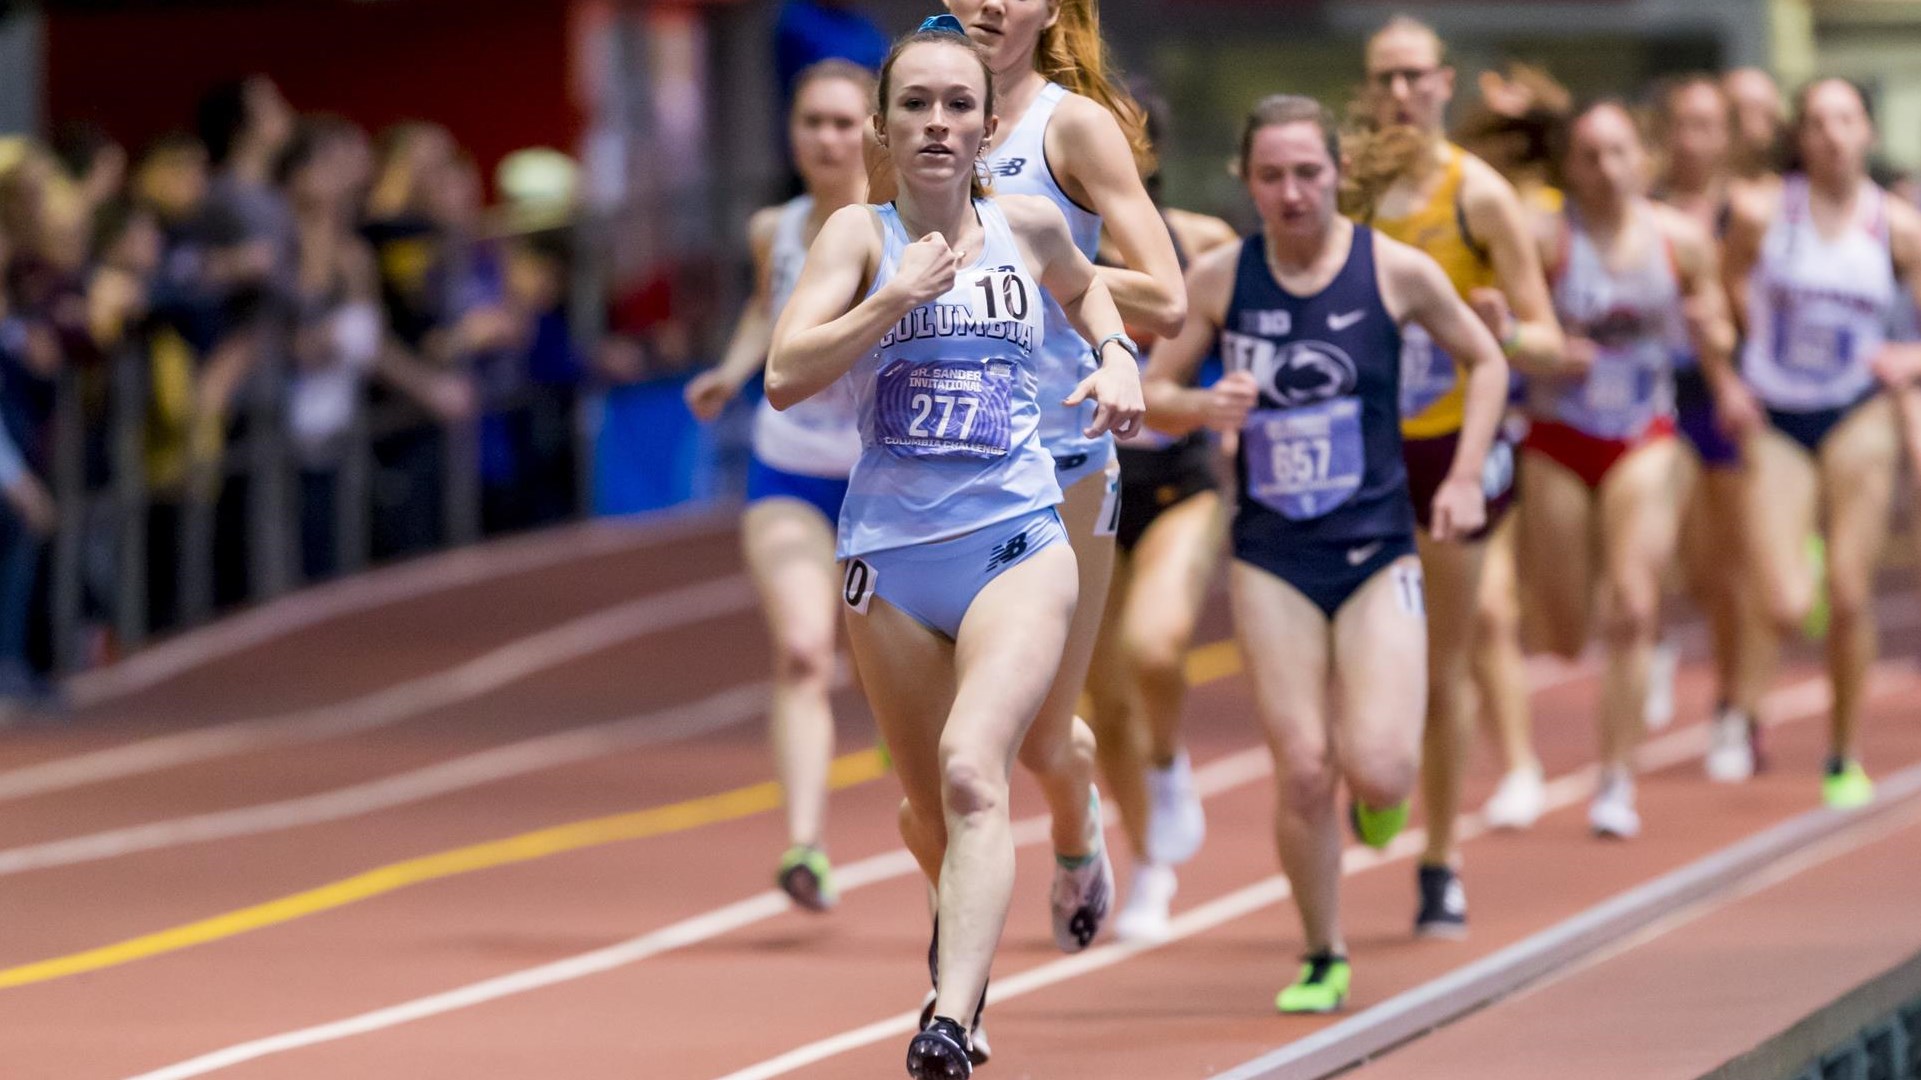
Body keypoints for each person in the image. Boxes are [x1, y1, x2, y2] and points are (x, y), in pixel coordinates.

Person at [768, 28, 1142, 1077]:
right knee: (924, 807)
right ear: (884, 126)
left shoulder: (1026, 224)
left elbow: (1089, 291)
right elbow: (784, 374)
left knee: (976, 771)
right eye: (917, 106)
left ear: (986, 127)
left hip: (1015, 540)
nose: (938, 124)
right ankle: (960, 962)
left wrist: (1115, 359)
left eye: (958, 107)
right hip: (888, 559)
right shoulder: (855, 236)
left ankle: (952, 1018)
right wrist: (892, 296)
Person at [1145, 94, 1506, 1015]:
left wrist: (1464, 476)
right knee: (1303, 765)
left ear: (1337, 174)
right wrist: (1201, 408)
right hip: (1272, 554)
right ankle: (1320, 952)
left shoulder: (1395, 270)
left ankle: (1382, 802)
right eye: (1270, 176)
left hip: (1377, 546)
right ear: (1246, 182)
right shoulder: (1225, 279)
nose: (1291, 192)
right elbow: (1148, 389)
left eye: (1307, 173)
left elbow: (1489, 360)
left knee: (1379, 767)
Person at [940, 0, 1186, 956]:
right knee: (951, 755)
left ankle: (1079, 835)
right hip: (937, 464)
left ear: (1051, 10)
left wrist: (1032, 249)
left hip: (1061, 457)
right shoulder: (917, 118)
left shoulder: (1071, 125)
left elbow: (1163, 297)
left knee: (1042, 740)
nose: (989, 2)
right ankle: (957, 992)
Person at [1349, 15, 1566, 937]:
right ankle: (1374, 767)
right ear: (1366, 89)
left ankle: (1438, 860)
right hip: (1355, 454)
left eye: (1413, 77)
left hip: (1449, 454)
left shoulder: (1476, 195)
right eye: (1383, 79)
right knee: (1345, 656)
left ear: (1443, 83)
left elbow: (1547, 341)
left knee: (1444, 659)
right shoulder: (1340, 188)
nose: (1399, 93)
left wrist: (1502, 330)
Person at [683, 60, 876, 912]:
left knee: (911, 675)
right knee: (804, 651)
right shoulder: (777, 225)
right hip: (791, 465)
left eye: (844, 122)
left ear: (874, 129)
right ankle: (805, 843)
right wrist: (730, 371)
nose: (828, 139)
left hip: (889, 476)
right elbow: (768, 308)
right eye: (813, 123)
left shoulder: (905, 225)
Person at [1520, 101, 1735, 837]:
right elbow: (1510, 335)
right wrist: (1541, 348)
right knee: (1561, 631)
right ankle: (1624, 650)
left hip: (1643, 432)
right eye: (1589, 156)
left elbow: (1717, 325)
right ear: (1570, 168)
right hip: (1556, 434)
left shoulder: (1678, 240)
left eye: (1618, 153)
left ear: (1640, 159)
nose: (1606, 169)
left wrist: (1722, 348)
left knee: (1632, 606)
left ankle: (1614, 781)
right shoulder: (1544, 238)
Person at [1720, 77, 1921, 809]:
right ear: (1799, 137)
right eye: (1816, 122)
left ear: (1866, 131)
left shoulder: (1896, 227)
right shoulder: (1762, 213)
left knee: (1847, 594)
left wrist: (1908, 359)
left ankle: (1842, 752)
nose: (1831, 135)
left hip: (1856, 410)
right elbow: (1718, 290)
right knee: (1780, 603)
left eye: (1844, 120)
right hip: (1778, 413)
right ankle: (1794, 558)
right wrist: (1732, 371)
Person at [1084, 82, 1238, 944]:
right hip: (1086, 490)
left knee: (1155, 644)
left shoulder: (1202, 242)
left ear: (1146, 148)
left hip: (1179, 481)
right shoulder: (1044, 233)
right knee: (1102, 707)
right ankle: (1147, 865)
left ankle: (1172, 761)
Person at [1652, 75, 1772, 779]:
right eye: (1680, 124)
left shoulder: (1748, 214)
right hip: (1659, 391)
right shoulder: (1644, 208)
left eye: (1705, 125)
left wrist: (1721, 292)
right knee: (1687, 564)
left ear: (1726, 135)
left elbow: (1766, 316)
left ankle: (1737, 708)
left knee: (1733, 571)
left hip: (1728, 398)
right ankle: (1658, 641)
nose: (1691, 139)